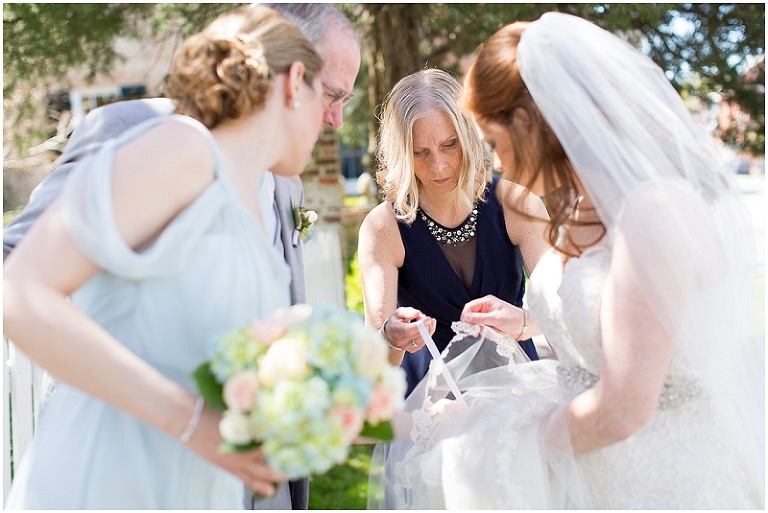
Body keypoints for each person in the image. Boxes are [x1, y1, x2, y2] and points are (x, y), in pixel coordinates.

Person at [370, 13, 764, 509]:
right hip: (587, 473)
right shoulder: (576, 210)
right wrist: (520, 336)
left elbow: (623, 408)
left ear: (530, 123)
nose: (495, 162)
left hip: (664, 478)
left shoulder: (653, 213)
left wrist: (495, 433)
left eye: (492, 141)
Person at [2, 4, 361, 509]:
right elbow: (19, 290)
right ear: (294, 79)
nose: (335, 120)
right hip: (114, 480)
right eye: (332, 96)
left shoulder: (258, 195)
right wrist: (191, 422)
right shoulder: (182, 147)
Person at [357, 68, 551, 397]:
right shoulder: (382, 228)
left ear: (469, 136)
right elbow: (376, 366)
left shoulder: (518, 205)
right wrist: (390, 337)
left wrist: (520, 322)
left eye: (449, 145)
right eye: (420, 152)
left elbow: (563, 318)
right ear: (402, 153)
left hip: (518, 397)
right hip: (433, 406)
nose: (439, 166)